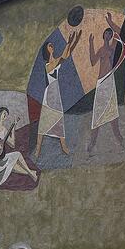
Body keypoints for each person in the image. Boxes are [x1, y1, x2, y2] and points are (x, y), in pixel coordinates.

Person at [33, 30, 81, 159]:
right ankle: (38, 149)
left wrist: (74, 42)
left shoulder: (56, 63)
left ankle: (64, 147)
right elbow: (63, 58)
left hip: (56, 94)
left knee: (59, 120)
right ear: (47, 50)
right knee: (44, 122)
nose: (52, 46)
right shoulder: (48, 65)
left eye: (51, 45)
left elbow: (66, 55)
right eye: (49, 45)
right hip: (49, 95)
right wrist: (69, 43)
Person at [87, 12, 125, 153]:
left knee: (112, 112)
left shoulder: (113, 47)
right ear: (103, 35)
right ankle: (92, 142)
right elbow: (92, 61)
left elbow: (120, 32)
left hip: (109, 82)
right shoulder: (101, 50)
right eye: (106, 33)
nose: (108, 35)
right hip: (100, 83)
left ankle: (119, 139)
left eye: (110, 34)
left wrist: (110, 22)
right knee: (97, 113)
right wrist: (91, 44)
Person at [0, 107, 39, 189]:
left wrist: (13, 127)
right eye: (4, 113)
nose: (5, 116)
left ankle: (31, 173)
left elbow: (12, 144)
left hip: (2, 157)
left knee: (17, 155)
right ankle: (31, 173)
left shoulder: (4, 129)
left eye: (6, 114)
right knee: (13, 163)